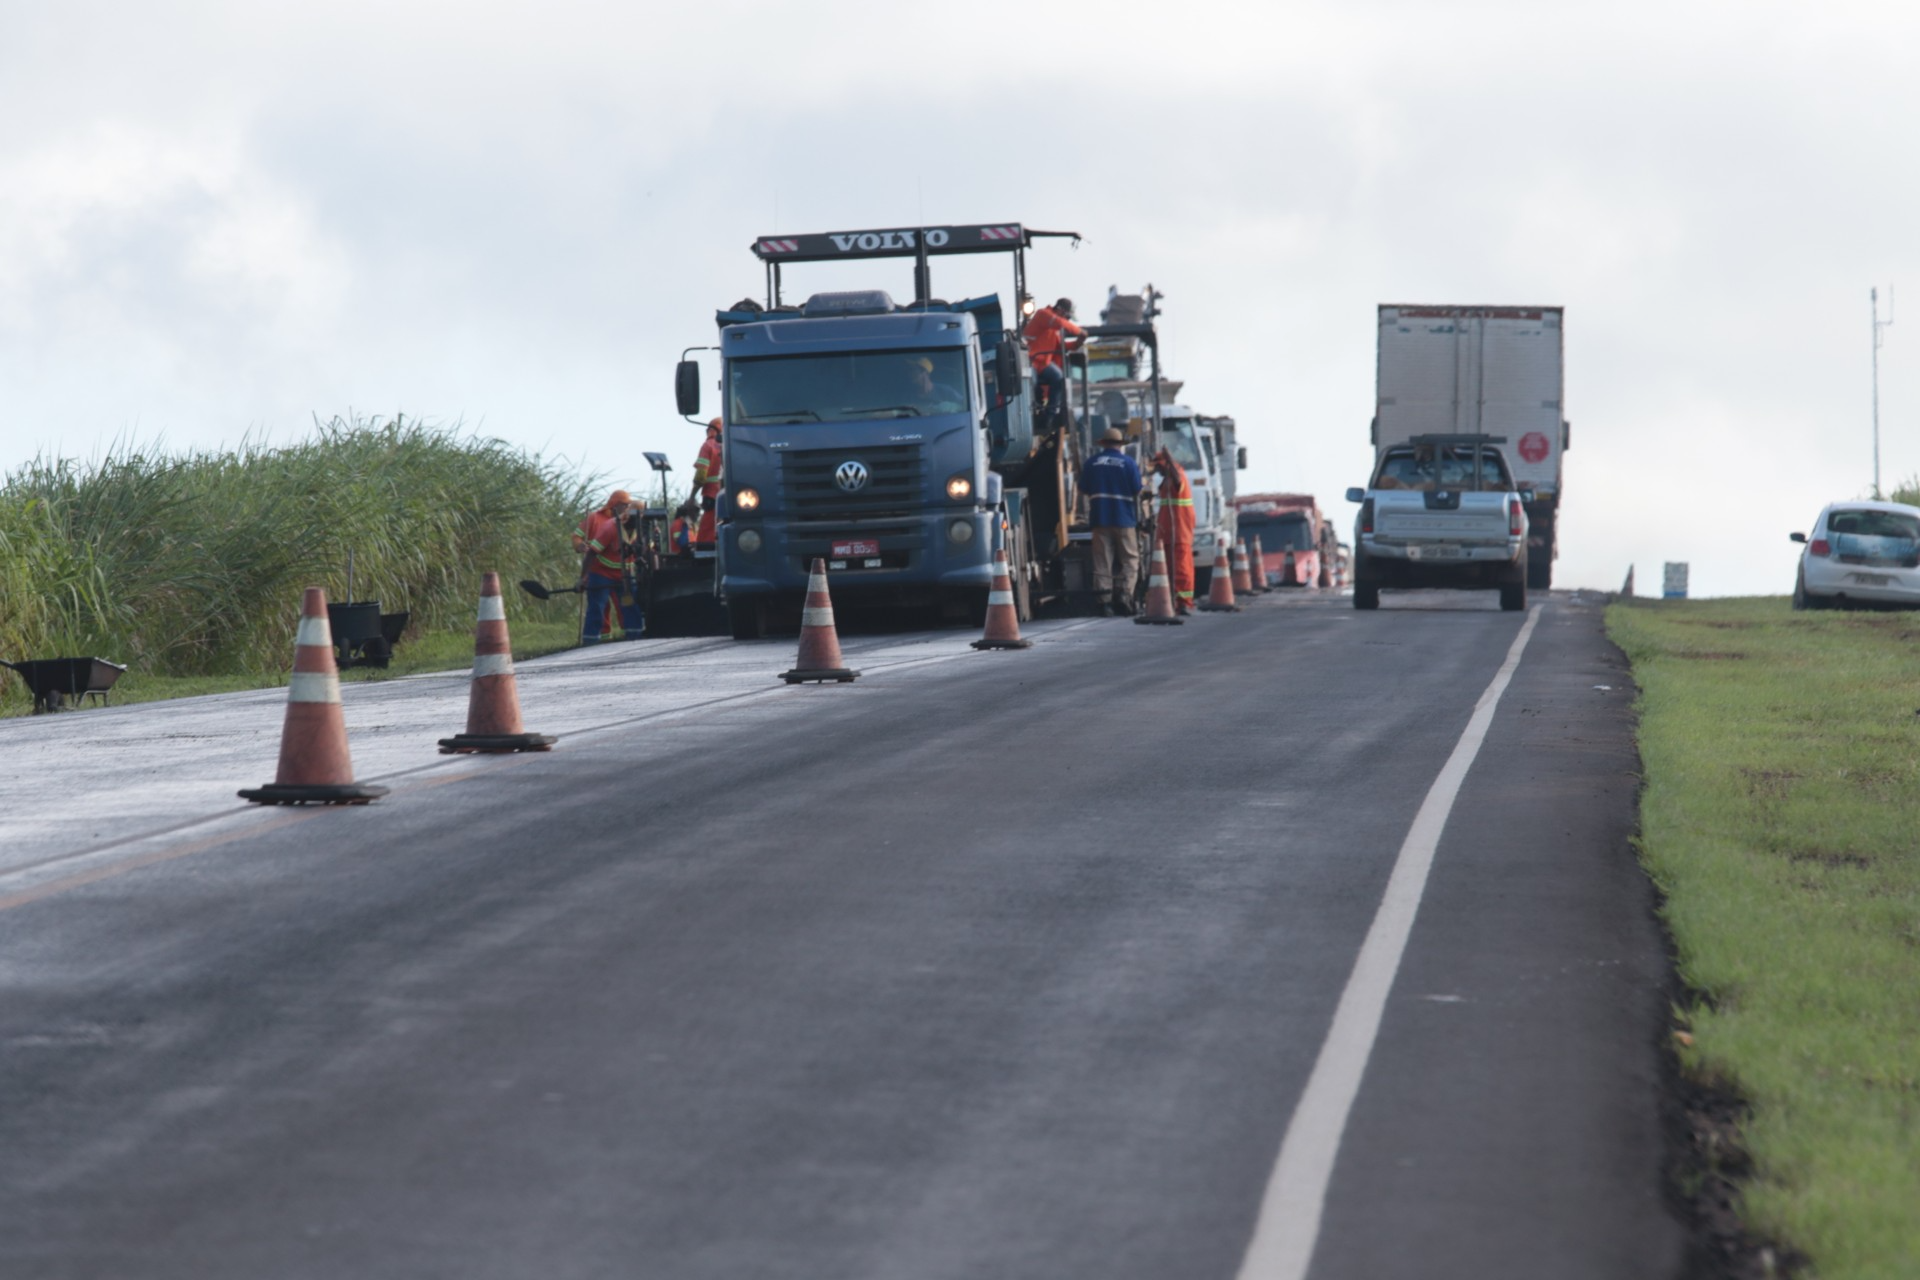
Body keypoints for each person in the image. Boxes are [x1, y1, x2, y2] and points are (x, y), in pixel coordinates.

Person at [1080, 426, 1145, 615]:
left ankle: (1105, 602)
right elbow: (1137, 490)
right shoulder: (1128, 463)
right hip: (1124, 519)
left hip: (1100, 518)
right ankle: (1124, 596)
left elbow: (1083, 488)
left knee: (1102, 561)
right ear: (1120, 444)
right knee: (1130, 559)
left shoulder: (1092, 463)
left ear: (1103, 443)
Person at [573, 490, 643, 643]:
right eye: (624, 505)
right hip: (601, 573)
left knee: (629, 606)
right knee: (598, 607)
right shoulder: (605, 524)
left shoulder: (640, 528)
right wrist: (583, 578)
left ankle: (634, 638)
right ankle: (591, 641)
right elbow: (588, 549)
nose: (626, 507)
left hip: (624, 574)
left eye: (628, 505)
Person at [1022, 297, 1083, 430]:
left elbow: (1061, 346)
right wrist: (1080, 332)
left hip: (1043, 364)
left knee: (1058, 377)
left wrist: (1077, 343)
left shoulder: (1054, 328)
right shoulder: (1043, 315)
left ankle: (1050, 415)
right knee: (1032, 383)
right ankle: (1033, 410)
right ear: (1060, 310)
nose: (1067, 320)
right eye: (1067, 316)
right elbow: (1060, 323)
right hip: (1029, 362)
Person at [1150, 445, 1196, 614]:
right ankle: (1173, 601)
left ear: (1166, 464)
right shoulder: (1167, 479)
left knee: (1181, 569)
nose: (1158, 471)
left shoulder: (1178, 476)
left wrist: (1169, 458)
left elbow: (1177, 481)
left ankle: (1183, 602)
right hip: (1168, 533)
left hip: (1180, 532)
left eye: (1159, 467)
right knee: (1169, 568)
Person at [690, 417, 724, 545]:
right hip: (731, 496)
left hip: (712, 496)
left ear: (711, 430)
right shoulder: (731, 445)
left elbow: (701, 476)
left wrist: (692, 497)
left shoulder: (708, 445)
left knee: (706, 537)